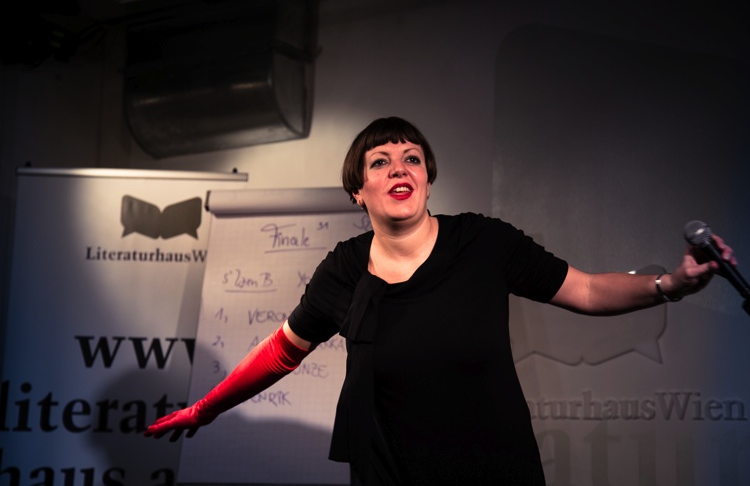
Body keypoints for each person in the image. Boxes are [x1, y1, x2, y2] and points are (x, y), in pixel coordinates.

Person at [145, 117, 735, 485]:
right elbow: (282, 351)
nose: (399, 168)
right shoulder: (343, 269)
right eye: (380, 162)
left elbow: (582, 288)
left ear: (428, 178)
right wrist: (206, 409)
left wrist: (671, 284)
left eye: (412, 159)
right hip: (391, 474)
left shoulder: (483, 242)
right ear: (358, 191)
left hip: (493, 471)